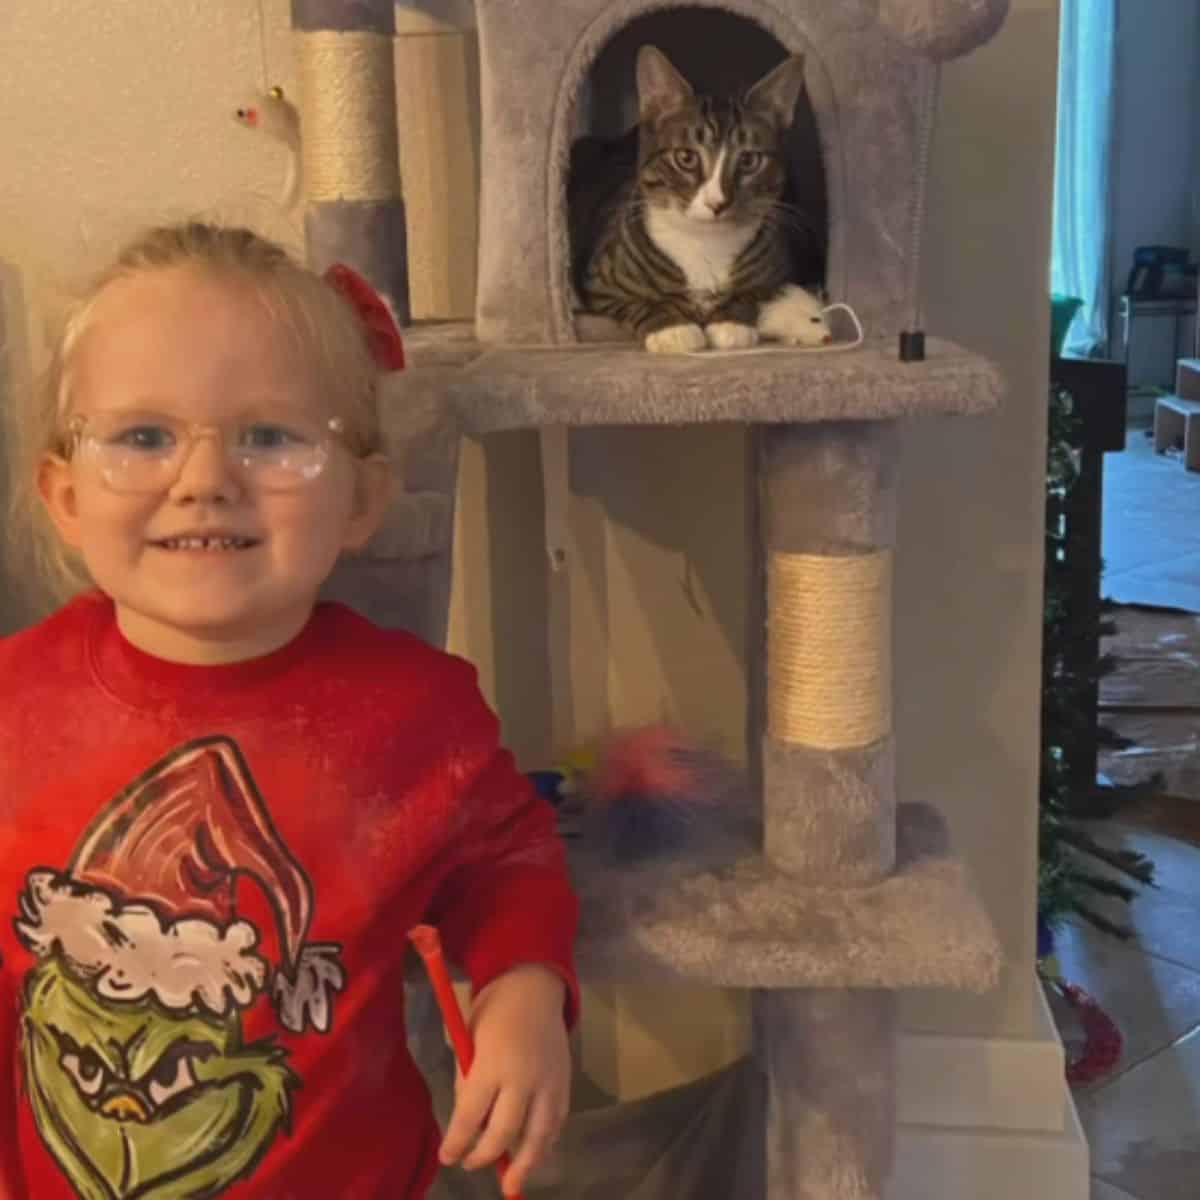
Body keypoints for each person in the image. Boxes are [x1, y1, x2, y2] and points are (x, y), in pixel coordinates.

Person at [0, 222, 579, 1200]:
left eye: (268, 438)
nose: (204, 481)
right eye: (143, 436)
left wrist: (525, 996)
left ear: (362, 499)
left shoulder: (414, 710)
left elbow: (507, 862)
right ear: (63, 495)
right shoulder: (13, 705)